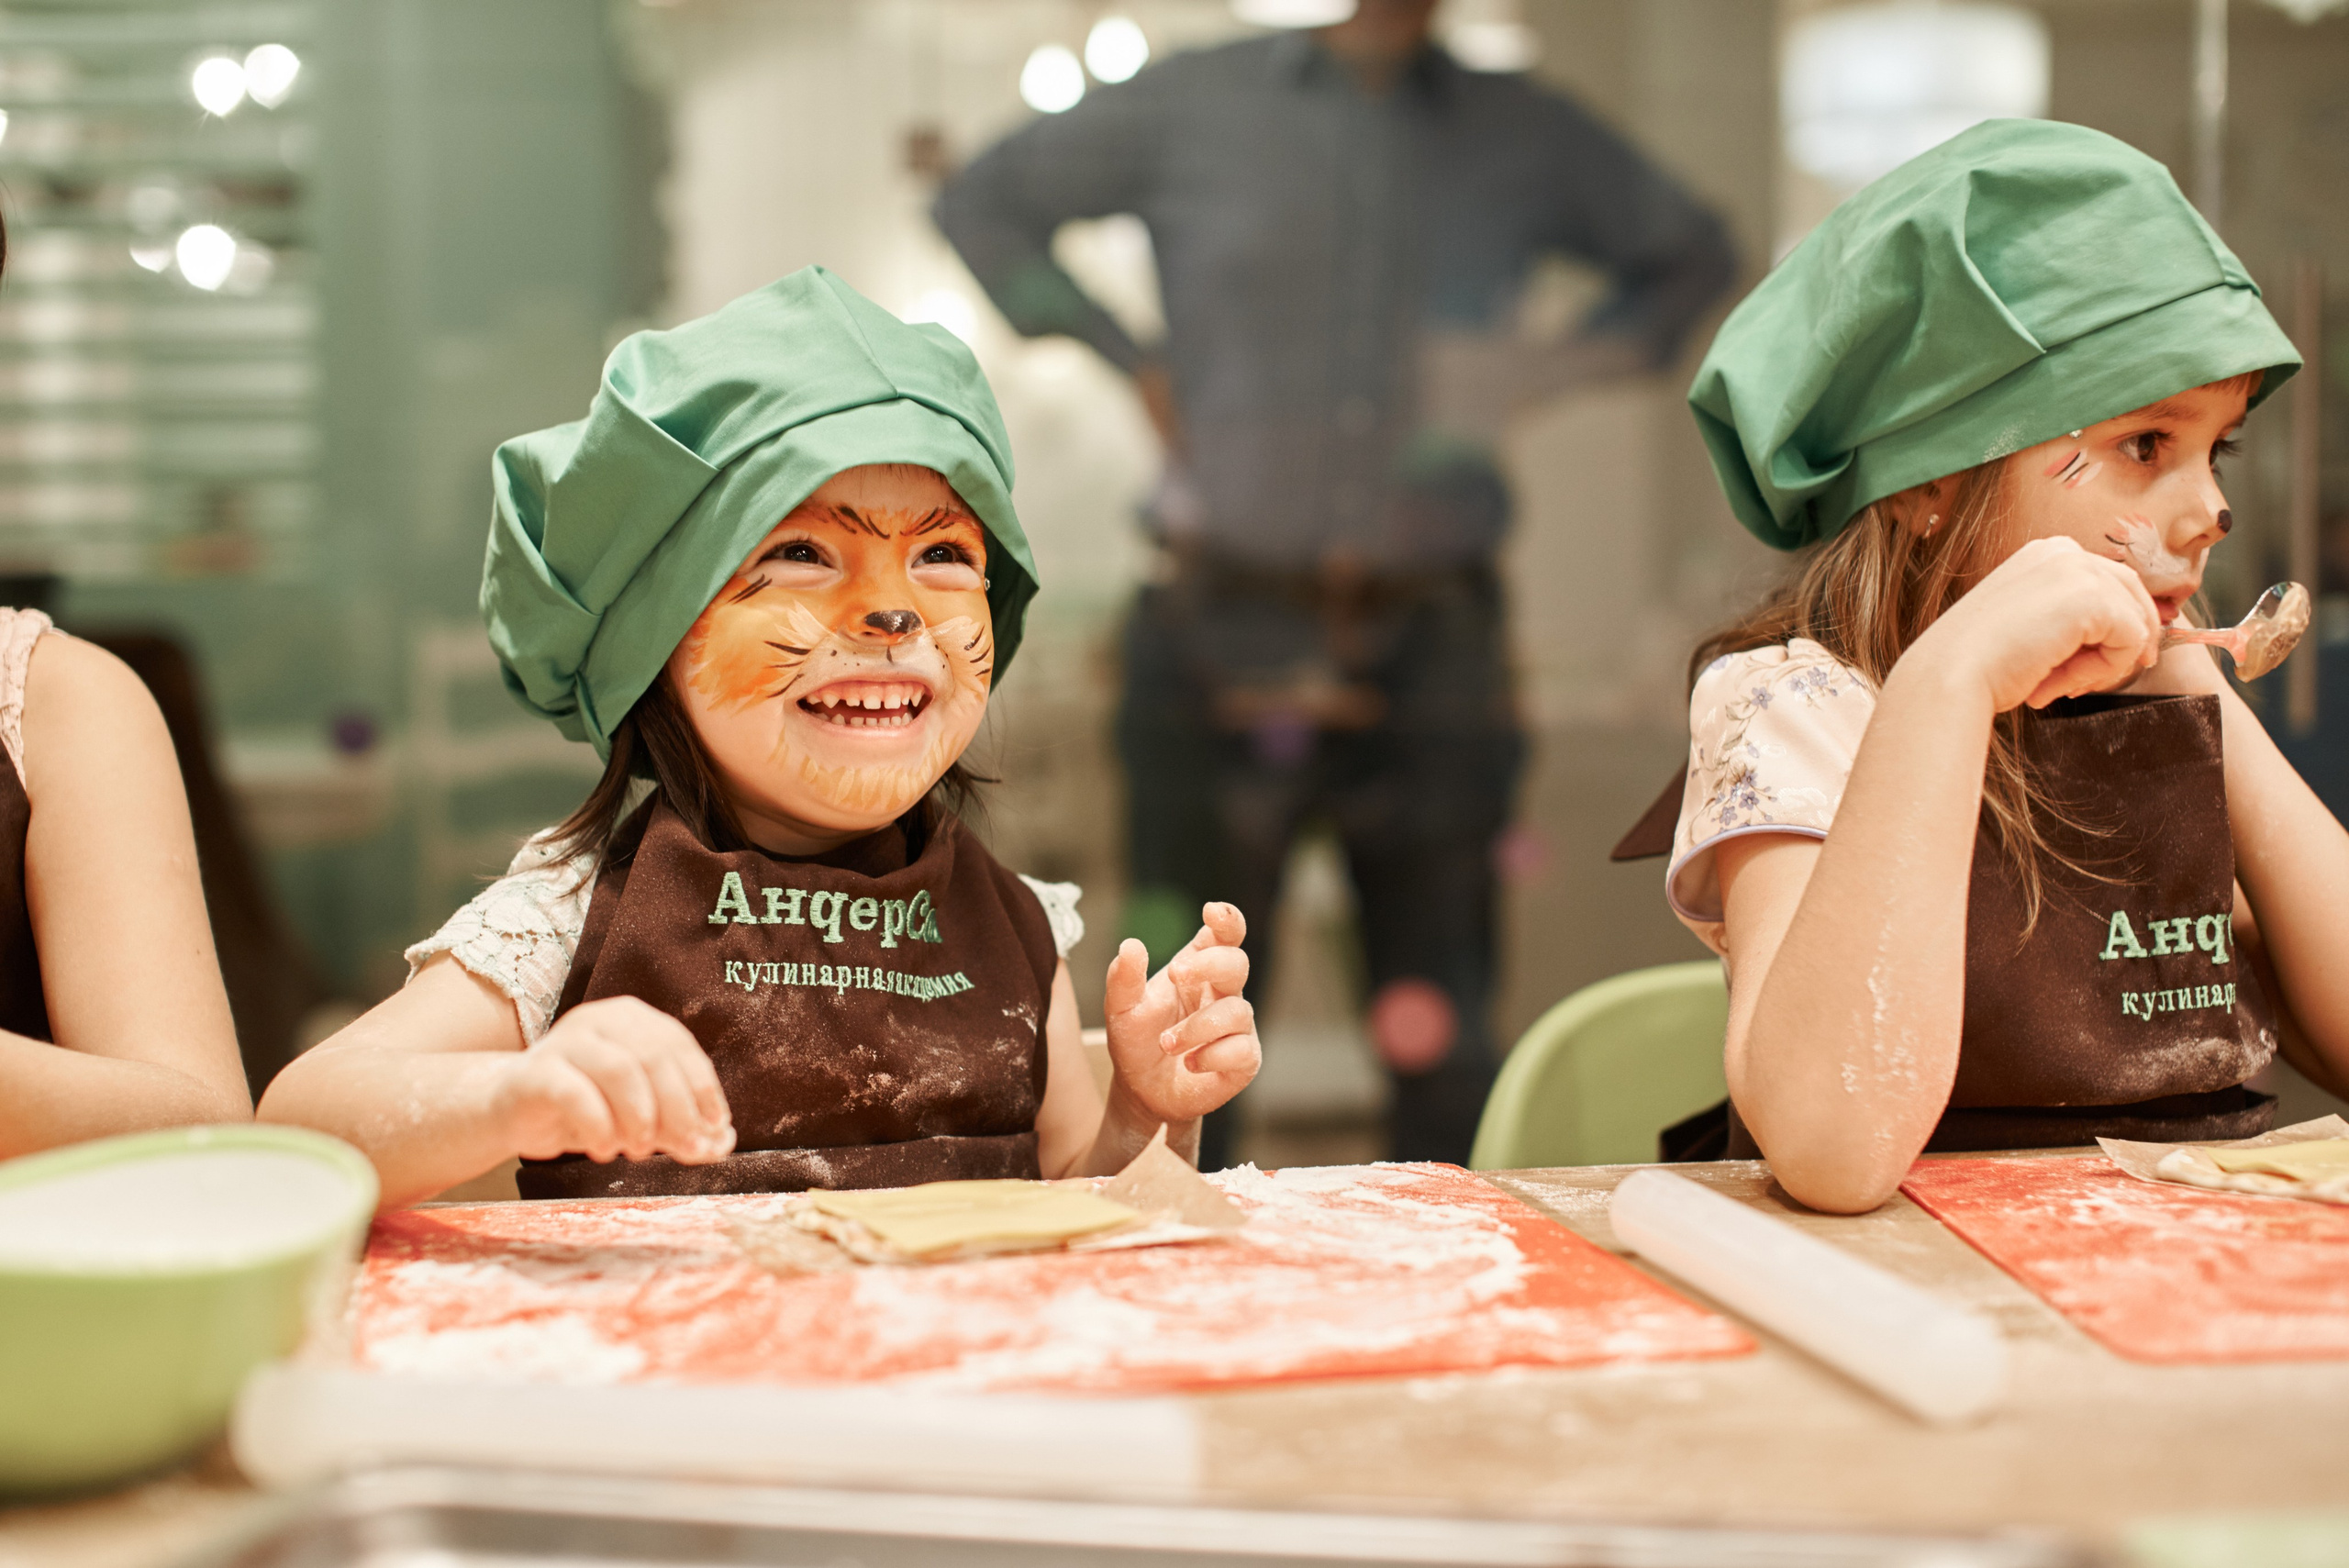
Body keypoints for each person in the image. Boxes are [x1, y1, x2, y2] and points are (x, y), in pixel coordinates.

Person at [260, 268, 1260, 1209]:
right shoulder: (574, 917)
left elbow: (1076, 1200)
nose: (893, 615)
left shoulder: (1013, 925)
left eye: (944, 553)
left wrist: (1142, 1109)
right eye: (801, 552)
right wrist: (514, 1091)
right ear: (655, 633)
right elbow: (298, 1124)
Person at [936, 0, 1735, 1163]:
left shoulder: (1519, 130)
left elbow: (1693, 252)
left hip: (1431, 640)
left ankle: (1454, 1302)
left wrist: (1544, 364)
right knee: (1181, 1033)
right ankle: (1174, 1303)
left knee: (1445, 1034)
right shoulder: (1189, 100)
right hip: (1217, 630)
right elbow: (981, 201)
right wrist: (1127, 356)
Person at [1662, 119, 2349, 1213]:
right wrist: (1949, 684)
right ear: (1932, 480)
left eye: (2217, 450)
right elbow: (1834, 1149)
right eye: (2144, 445)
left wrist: (2200, 693)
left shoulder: (2153, 695)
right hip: (1908, 1301)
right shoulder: (1802, 707)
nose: (2214, 508)